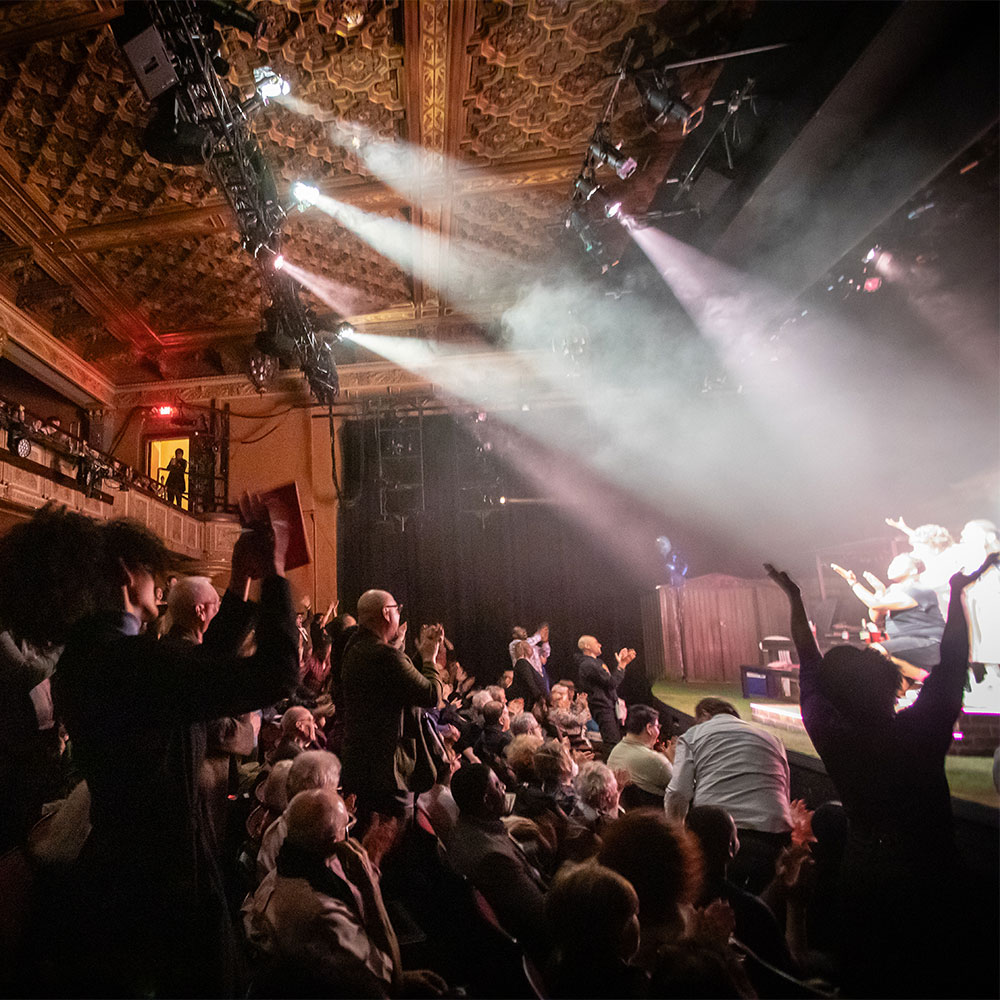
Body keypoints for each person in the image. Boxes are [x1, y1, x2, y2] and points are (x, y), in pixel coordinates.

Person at [0, 496, 298, 997]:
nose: (161, 584)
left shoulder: (96, 659)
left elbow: (195, 671)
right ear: (124, 572)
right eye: (151, 572)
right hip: (170, 888)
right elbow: (278, 673)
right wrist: (276, 574)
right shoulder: (126, 663)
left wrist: (241, 581)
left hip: (133, 873)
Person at [765, 555, 998, 998]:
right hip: (931, 872)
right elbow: (952, 662)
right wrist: (956, 592)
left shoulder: (831, 735)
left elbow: (808, 662)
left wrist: (794, 598)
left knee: (872, 971)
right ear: (890, 684)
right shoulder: (922, 728)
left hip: (864, 872)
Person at [244, 787, 446, 999]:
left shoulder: (273, 879)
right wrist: (371, 888)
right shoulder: (325, 914)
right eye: (347, 827)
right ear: (336, 842)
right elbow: (390, 985)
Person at [665, 698, 792, 893]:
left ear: (705, 714)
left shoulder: (693, 735)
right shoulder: (772, 739)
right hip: (774, 835)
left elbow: (678, 792)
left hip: (719, 834)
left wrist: (677, 837)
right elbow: (783, 790)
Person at [339, 591, 443, 827]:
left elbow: (399, 679)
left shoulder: (354, 647)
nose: (398, 614)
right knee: (390, 839)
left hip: (360, 763)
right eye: (397, 609)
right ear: (386, 613)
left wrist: (419, 654)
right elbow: (431, 695)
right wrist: (429, 659)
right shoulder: (385, 655)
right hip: (388, 770)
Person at [445, 763, 551, 958]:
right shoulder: (494, 859)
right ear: (487, 800)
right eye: (497, 785)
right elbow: (540, 914)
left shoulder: (467, 827)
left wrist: (534, 847)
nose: (503, 787)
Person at [545, 861, 648, 999]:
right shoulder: (629, 985)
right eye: (633, 914)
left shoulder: (559, 967)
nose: (637, 919)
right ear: (618, 930)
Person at [831, 552, 945, 676]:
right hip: (906, 644)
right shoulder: (893, 591)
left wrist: (853, 583)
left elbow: (875, 604)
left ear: (913, 570)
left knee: (874, 652)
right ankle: (922, 682)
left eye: (898, 563)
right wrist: (880, 591)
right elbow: (876, 618)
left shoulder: (918, 590)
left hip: (928, 643)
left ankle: (926, 679)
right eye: (892, 563)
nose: (891, 566)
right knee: (892, 676)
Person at [607, 704, 675, 808]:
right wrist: (673, 761)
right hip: (656, 818)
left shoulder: (616, 752)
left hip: (629, 816)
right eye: (657, 727)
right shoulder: (656, 761)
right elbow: (684, 789)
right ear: (649, 728)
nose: (658, 731)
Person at [576, 635, 633, 745]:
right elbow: (611, 683)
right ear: (587, 646)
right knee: (612, 743)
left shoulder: (597, 662)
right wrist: (622, 665)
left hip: (609, 706)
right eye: (596, 642)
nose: (600, 645)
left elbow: (610, 682)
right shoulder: (588, 664)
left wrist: (621, 665)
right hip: (602, 708)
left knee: (617, 741)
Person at [508, 638, 551, 710]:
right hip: (530, 700)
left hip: (531, 701)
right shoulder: (523, 664)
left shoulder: (523, 663)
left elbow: (530, 683)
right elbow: (530, 683)